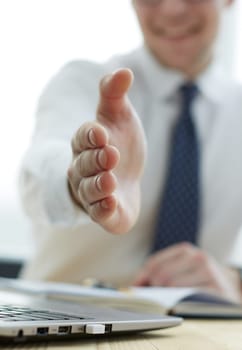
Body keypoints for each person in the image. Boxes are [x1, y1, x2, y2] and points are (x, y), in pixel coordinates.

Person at [19, 0, 242, 302]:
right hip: (62, 326)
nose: (172, 10)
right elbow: (38, 174)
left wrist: (234, 284)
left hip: (195, 335)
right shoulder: (84, 83)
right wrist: (81, 181)